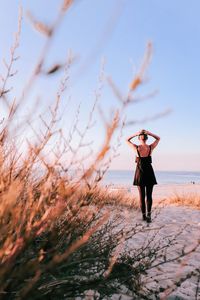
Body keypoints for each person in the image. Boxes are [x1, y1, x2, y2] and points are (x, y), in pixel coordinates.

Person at [126, 129, 160, 223]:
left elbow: (127, 140)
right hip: (149, 173)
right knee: (149, 196)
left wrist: (136, 133)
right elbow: (158, 138)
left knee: (141, 196)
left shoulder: (136, 148)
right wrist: (150, 133)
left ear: (139, 138)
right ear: (147, 138)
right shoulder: (150, 147)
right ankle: (149, 216)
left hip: (140, 173)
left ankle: (144, 216)